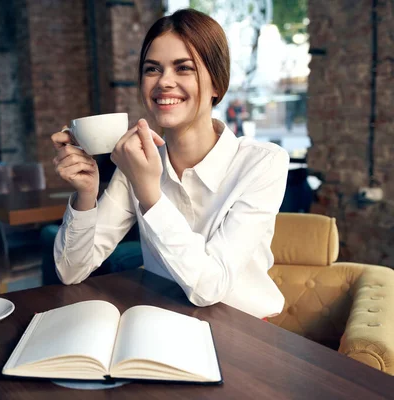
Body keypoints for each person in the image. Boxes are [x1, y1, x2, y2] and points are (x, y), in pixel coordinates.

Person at [50, 9, 289, 319]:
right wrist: (86, 194)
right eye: (152, 69)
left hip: (246, 333)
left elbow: (209, 288)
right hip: (165, 321)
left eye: (183, 68)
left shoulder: (262, 163)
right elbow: (71, 271)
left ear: (217, 83)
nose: (164, 82)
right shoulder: (136, 164)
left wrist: (150, 194)